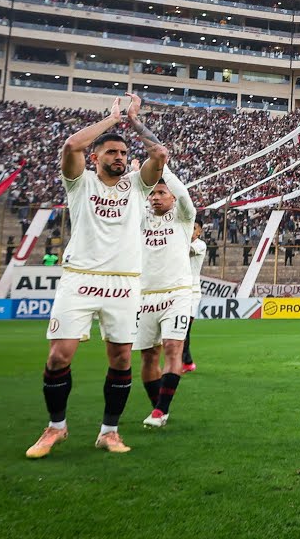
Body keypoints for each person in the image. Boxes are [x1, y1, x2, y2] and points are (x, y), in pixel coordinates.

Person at [26, 94, 167, 459]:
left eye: (122, 153)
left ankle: (109, 431)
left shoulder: (138, 184)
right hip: (79, 276)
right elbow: (72, 144)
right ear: (96, 158)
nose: (119, 157)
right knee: (59, 355)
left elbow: (160, 155)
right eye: (111, 153)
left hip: (123, 281)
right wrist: (112, 119)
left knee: (121, 357)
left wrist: (134, 123)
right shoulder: (80, 182)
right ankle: (56, 426)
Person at [136, 169, 197, 429]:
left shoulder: (183, 218)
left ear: (172, 196)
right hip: (145, 294)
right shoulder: (139, 218)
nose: (155, 197)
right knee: (149, 356)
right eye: (152, 193)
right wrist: (139, 175)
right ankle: (158, 405)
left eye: (162, 192)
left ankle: (161, 410)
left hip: (178, 292)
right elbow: (131, 198)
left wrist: (163, 168)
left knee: (173, 347)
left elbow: (184, 195)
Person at [183, 219, 206, 373]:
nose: (191, 230)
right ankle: (187, 362)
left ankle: (185, 363)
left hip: (192, 292)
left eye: (194, 228)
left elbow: (187, 251)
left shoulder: (200, 245)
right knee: (180, 329)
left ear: (199, 232)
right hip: (177, 289)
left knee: (184, 328)